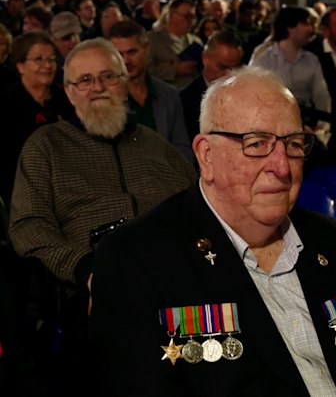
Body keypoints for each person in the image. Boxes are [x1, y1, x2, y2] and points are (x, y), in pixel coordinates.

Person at [89, 66, 336, 396]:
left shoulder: (331, 239)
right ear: (206, 155)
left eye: (293, 143)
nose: (282, 166)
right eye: (257, 143)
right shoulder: (136, 259)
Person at [9, 38, 196, 396]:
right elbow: (28, 225)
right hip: (91, 281)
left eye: (108, 77)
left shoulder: (157, 146)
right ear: (69, 91)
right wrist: (86, 270)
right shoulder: (46, 145)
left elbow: (197, 210)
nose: (97, 88)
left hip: (174, 274)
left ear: (125, 83)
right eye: (84, 80)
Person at [0, 31, 74, 205]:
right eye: (39, 59)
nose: (47, 65)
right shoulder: (7, 104)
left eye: (51, 59)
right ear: (20, 66)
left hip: (67, 186)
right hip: (22, 193)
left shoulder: (65, 98)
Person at [109, 20, 194, 160]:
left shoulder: (169, 94)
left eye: (132, 52)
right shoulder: (107, 98)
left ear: (146, 49)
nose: (126, 61)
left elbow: (182, 148)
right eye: (119, 55)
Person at [180, 30, 244, 140]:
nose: (229, 75)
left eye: (235, 68)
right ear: (205, 58)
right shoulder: (185, 100)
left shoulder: (247, 95)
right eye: (222, 67)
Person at [147, 0, 203, 90]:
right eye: (187, 16)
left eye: (193, 17)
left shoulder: (196, 41)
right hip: (165, 95)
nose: (191, 22)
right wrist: (175, 70)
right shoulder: (152, 40)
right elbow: (146, 70)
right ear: (171, 15)